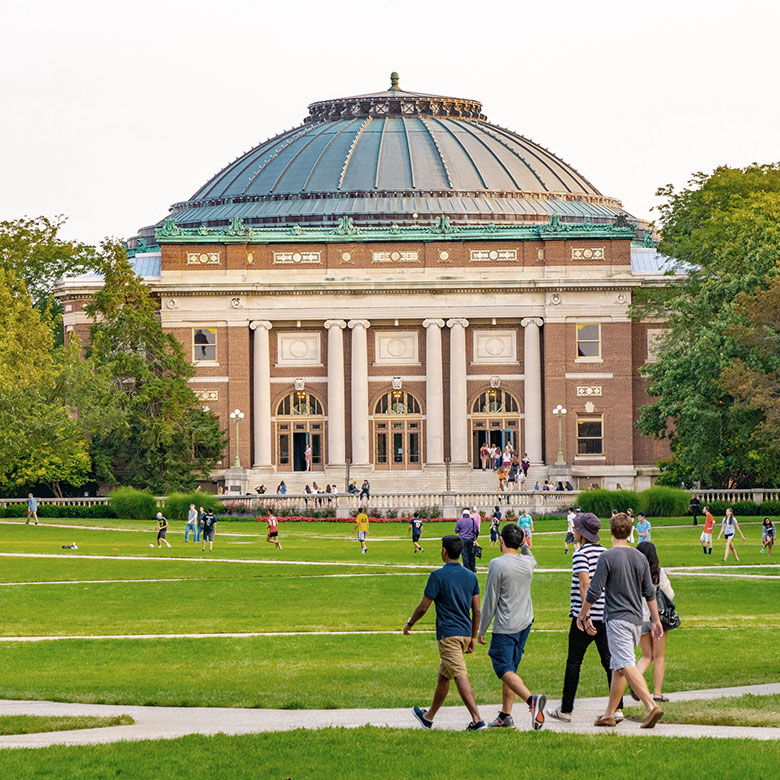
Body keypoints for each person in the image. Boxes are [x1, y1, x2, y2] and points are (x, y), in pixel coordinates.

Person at [576, 512, 664, 729]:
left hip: (617, 619)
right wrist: (656, 619)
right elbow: (649, 592)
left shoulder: (607, 557)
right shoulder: (640, 557)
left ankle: (651, 706)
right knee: (618, 667)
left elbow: (594, 591)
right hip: (635, 620)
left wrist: (583, 613)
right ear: (631, 532)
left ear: (611, 532)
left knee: (625, 663)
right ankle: (609, 714)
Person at [548, 512, 624, 723]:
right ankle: (617, 708)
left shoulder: (580, 554)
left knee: (574, 661)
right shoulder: (607, 553)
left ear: (581, 532)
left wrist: (585, 614)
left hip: (585, 616)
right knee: (610, 661)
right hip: (606, 616)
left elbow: (585, 585)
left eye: (575, 528)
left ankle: (566, 708)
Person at [405, 535, 486, 731]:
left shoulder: (438, 576)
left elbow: (424, 607)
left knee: (459, 674)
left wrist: (410, 623)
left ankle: (477, 720)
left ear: (444, 552)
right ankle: (428, 717)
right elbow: (476, 611)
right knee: (444, 675)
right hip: (465, 633)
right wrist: (474, 636)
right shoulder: (471, 576)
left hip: (448, 634)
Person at [477, 524, 546, 730]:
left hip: (506, 625)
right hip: (525, 622)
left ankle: (531, 700)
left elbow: (491, 599)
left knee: (502, 667)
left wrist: (482, 629)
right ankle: (506, 715)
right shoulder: (527, 562)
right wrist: (524, 544)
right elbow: (531, 557)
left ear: (501, 540)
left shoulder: (497, 564)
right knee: (511, 668)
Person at [636, 542, 674, 704]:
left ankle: (635, 681)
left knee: (646, 656)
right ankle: (657, 693)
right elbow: (669, 594)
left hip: (639, 618)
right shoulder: (658, 572)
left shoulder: (633, 573)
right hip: (657, 618)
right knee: (659, 657)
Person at [455, 508, 479, 573]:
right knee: (472, 554)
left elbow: (456, 530)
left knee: (465, 555)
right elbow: (476, 530)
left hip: (463, 539)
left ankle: (466, 568)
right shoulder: (473, 521)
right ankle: (473, 568)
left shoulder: (460, 521)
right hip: (471, 539)